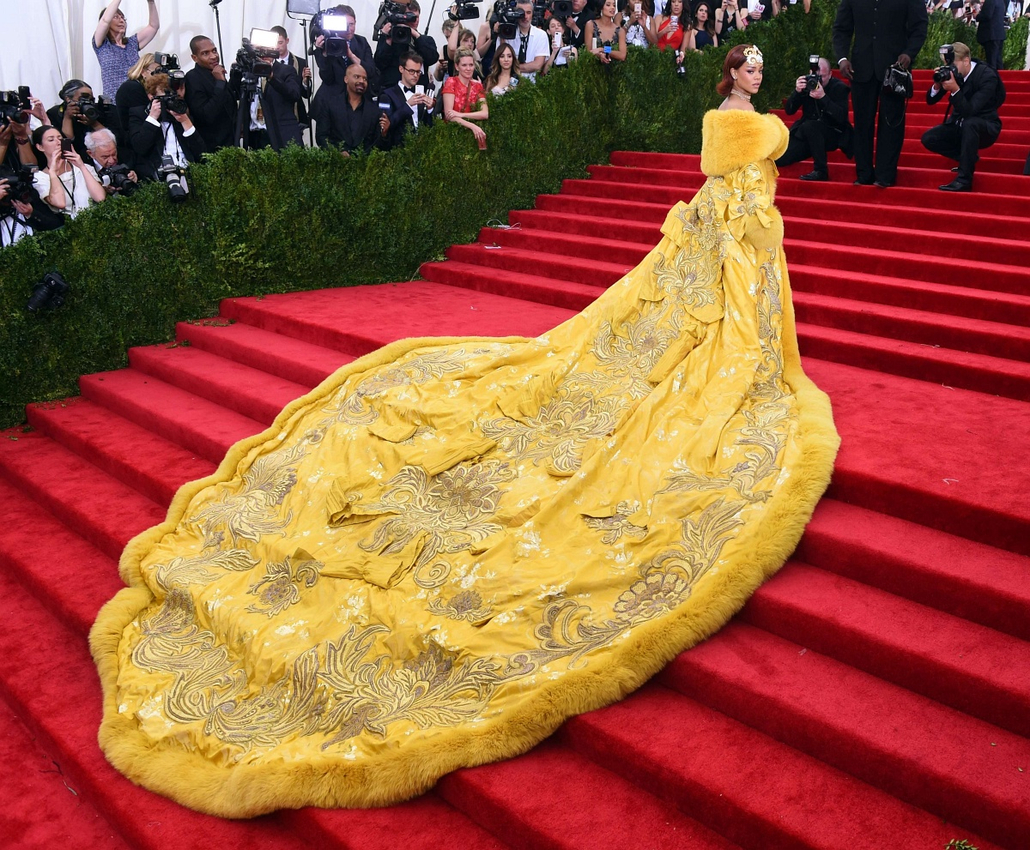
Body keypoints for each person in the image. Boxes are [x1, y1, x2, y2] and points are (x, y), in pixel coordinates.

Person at [91, 39, 838, 819]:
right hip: (724, 239)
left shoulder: (743, 122)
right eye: (749, 67)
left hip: (732, 241)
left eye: (759, 67)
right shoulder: (734, 121)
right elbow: (737, 186)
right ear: (734, 76)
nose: (755, 74)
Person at [833, 0, 928, 187]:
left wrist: (909, 53)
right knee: (862, 123)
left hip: (895, 68)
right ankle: (864, 174)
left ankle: (885, 176)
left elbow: (919, 26)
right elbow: (841, 28)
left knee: (892, 123)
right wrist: (842, 58)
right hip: (861, 68)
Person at [921, 41, 1005, 191]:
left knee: (970, 123)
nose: (951, 69)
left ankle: (964, 179)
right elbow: (930, 100)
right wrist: (937, 86)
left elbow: (970, 110)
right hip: (959, 124)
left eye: (953, 65)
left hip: (985, 126)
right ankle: (968, 158)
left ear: (966, 61)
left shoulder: (987, 75)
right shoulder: (956, 73)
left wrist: (955, 90)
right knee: (929, 138)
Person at [775, 57, 854, 181]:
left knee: (810, 126)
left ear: (830, 74)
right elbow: (789, 111)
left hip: (833, 133)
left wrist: (823, 97)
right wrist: (797, 92)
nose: (817, 81)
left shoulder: (839, 87)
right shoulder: (807, 84)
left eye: (821, 77)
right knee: (779, 159)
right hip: (808, 135)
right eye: (815, 76)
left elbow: (841, 117)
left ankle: (821, 171)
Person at [125, 67, 207, 181]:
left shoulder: (180, 111)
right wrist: (153, 118)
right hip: (157, 178)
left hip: (188, 174)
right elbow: (140, 147)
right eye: (166, 96)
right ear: (151, 97)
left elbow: (201, 154)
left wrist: (185, 121)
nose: (170, 101)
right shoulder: (139, 114)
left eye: (173, 96)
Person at [312, 62, 390, 153]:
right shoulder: (329, 104)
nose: (362, 81)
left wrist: (384, 134)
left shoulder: (374, 111)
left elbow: (378, 145)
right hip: (335, 163)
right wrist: (338, 153)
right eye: (357, 77)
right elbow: (321, 137)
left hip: (364, 164)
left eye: (365, 79)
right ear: (346, 79)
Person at [93, 0, 161, 102]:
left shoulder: (131, 43)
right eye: (116, 17)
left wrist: (151, 2)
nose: (121, 20)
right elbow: (105, 21)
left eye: (122, 17)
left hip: (136, 100)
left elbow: (153, 26)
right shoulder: (102, 44)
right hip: (114, 103)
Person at [31, 126, 107, 218]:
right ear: (40, 147)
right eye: (51, 140)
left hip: (96, 220)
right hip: (69, 227)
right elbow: (60, 203)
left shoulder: (84, 168)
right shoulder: (40, 177)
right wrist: (53, 172)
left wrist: (81, 166)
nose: (58, 142)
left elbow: (100, 198)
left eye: (60, 138)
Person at [245, 42, 305, 151]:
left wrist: (272, 77)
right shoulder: (249, 72)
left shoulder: (286, 70)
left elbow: (294, 94)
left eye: (265, 50)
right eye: (258, 50)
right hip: (256, 136)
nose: (262, 54)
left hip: (280, 134)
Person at [47, 80, 122, 163]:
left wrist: (94, 123)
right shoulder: (56, 113)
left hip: (103, 160)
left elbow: (116, 140)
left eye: (91, 99)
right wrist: (67, 118)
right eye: (83, 99)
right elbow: (66, 144)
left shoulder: (104, 111)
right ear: (68, 99)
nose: (87, 102)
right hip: (75, 159)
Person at [184, 36, 238, 152]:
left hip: (231, 143)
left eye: (214, 50)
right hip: (211, 148)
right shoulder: (192, 78)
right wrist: (220, 83)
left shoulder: (217, 72)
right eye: (205, 53)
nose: (214, 56)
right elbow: (206, 115)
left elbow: (230, 103)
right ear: (195, 58)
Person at [311, 5, 380, 93]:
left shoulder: (361, 42)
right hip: (334, 95)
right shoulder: (327, 42)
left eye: (351, 24)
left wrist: (351, 56)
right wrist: (323, 53)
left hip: (358, 93)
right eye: (345, 25)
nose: (349, 29)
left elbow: (371, 72)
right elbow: (327, 78)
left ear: (355, 22)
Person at [375, 0, 438, 91]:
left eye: (416, 17)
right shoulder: (391, 38)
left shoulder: (426, 40)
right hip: (393, 90)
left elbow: (432, 58)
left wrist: (415, 35)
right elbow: (379, 63)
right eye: (410, 17)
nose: (415, 20)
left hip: (418, 90)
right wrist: (388, 39)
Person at [379, 51, 435, 150]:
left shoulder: (421, 92)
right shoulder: (387, 95)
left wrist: (430, 109)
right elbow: (387, 124)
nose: (415, 75)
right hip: (398, 149)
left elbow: (429, 125)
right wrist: (407, 106)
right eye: (412, 71)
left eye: (418, 72)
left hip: (422, 149)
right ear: (401, 69)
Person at [271, 26, 313, 139]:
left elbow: (306, 94)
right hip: (273, 115)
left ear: (287, 41)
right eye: (275, 43)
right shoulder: (267, 64)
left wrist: (305, 82)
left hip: (295, 115)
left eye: (280, 42)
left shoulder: (300, 62)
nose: (277, 47)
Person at [442, 48, 488, 146]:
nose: (468, 68)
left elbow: (484, 113)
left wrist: (460, 114)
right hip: (453, 135)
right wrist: (472, 126)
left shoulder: (477, 86)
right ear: (457, 66)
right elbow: (449, 115)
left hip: (473, 137)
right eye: (464, 65)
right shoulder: (451, 82)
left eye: (471, 65)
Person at [501, 0, 551, 81]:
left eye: (528, 12)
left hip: (532, 84)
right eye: (521, 12)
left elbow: (537, 65)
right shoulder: (507, 33)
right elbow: (501, 61)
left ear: (533, 14)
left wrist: (511, 67)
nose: (525, 16)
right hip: (508, 83)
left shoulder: (541, 35)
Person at [84, 127, 138, 194]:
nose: (112, 161)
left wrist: (135, 177)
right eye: (105, 157)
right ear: (91, 154)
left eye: (114, 154)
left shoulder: (128, 157)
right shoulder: (83, 166)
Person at [976, 0, 1006, 70]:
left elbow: (987, 15)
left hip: (991, 35)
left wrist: (977, 16)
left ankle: (993, 79)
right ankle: (1000, 78)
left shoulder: (990, 1)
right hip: (998, 34)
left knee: (991, 61)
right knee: (998, 60)